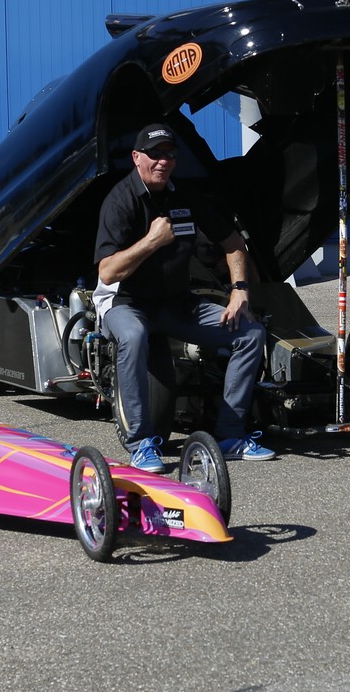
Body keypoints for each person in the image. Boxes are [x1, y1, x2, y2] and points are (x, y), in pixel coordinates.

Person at [92, 121, 275, 473]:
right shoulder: (120, 201)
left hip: (176, 302)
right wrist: (151, 241)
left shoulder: (185, 197)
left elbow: (233, 242)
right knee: (133, 335)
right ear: (136, 157)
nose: (163, 161)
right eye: (154, 154)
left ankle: (230, 436)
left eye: (170, 155)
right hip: (126, 303)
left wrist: (239, 291)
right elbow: (108, 272)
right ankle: (140, 444)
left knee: (250, 333)